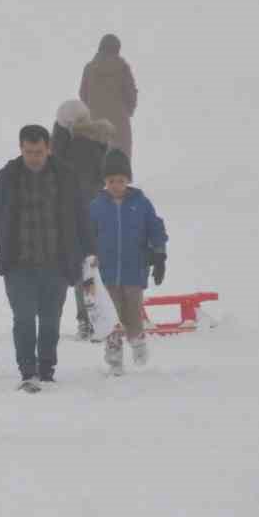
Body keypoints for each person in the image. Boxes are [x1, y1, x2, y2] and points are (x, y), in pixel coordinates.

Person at [0, 124, 96, 391]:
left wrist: (90, 251)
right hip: (18, 263)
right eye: (29, 152)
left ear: (48, 149)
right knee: (23, 317)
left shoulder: (65, 176)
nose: (34, 157)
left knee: (51, 319)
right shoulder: (7, 176)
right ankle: (27, 371)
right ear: (21, 149)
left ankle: (46, 368)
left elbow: (81, 216)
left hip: (56, 262)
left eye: (39, 152)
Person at [89, 150, 168, 373]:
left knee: (133, 311)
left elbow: (155, 228)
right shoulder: (96, 206)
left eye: (121, 180)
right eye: (112, 181)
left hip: (134, 270)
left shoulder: (141, 203)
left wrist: (159, 254)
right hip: (107, 273)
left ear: (128, 180)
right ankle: (114, 357)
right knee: (112, 316)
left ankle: (137, 340)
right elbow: (87, 234)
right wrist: (88, 258)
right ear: (105, 181)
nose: (116, 185)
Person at [52, 99, 116, 339]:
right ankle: (106, 316)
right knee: (97, 266)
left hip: (77, 214)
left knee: (83, 269)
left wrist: (59, 131)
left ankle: (88, 320)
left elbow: (56, 165)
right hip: (100, 209)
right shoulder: (101, 141)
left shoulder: (71, 145)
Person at [79, 33, 138, 158]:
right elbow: (131, 94)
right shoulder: (122, 67)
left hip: (94, 122)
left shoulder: (89, 68)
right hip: (119, 123)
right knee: (119, 163)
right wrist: (127, 111)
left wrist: (91, 109)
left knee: (96, 161)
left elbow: (82, 94)